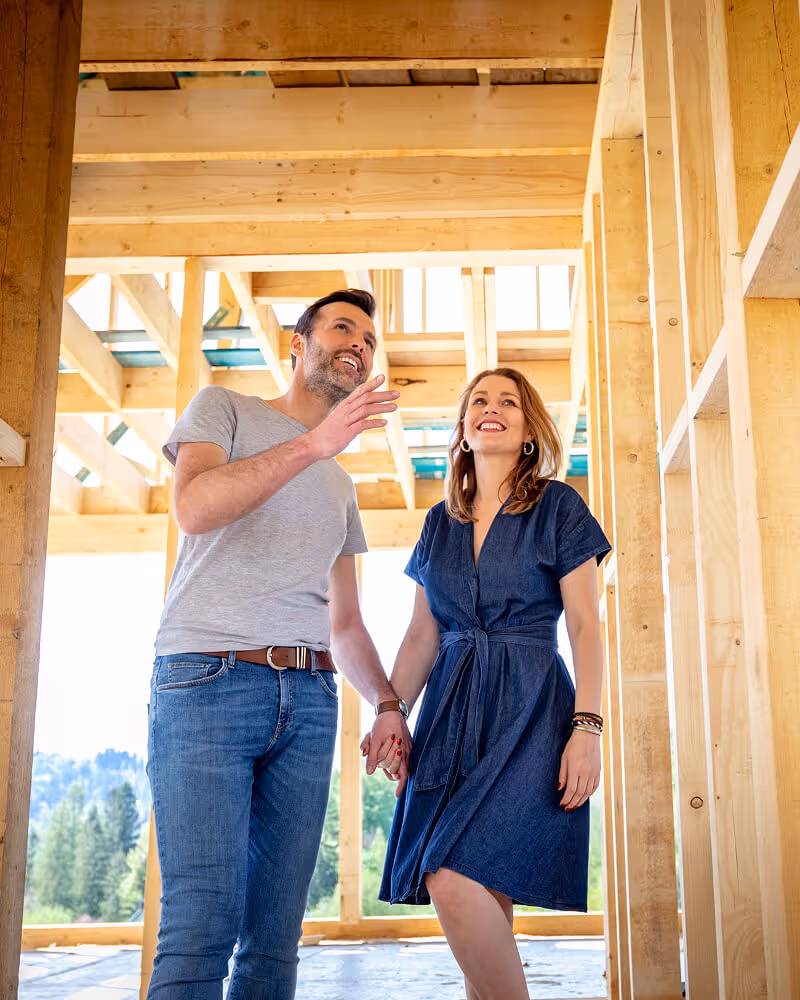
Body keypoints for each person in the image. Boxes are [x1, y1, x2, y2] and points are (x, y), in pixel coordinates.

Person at [147, 289, 412, 1000]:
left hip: (310, 700)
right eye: (342, 327)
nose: (359, 342)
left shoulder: (340, 485)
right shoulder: (224, 409)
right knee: (200, 923)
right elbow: (195, 509)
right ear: (299, 344)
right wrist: (313, 444)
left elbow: (347, 623)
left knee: (274, 937)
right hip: (206, 680)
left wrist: (387, 703)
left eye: (369, 338)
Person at [362, 367, 611, 1000]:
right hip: (448, 712)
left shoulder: (558, 506)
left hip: (532, 711)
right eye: (479, 401)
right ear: (464, 428)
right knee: (479, 885)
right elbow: (422, 635)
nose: (491, 408)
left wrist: (588, 728)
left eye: (509, 402)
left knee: (448, 872)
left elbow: (584, 625)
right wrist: (391, 709)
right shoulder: (439, 523)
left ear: (529, 431)